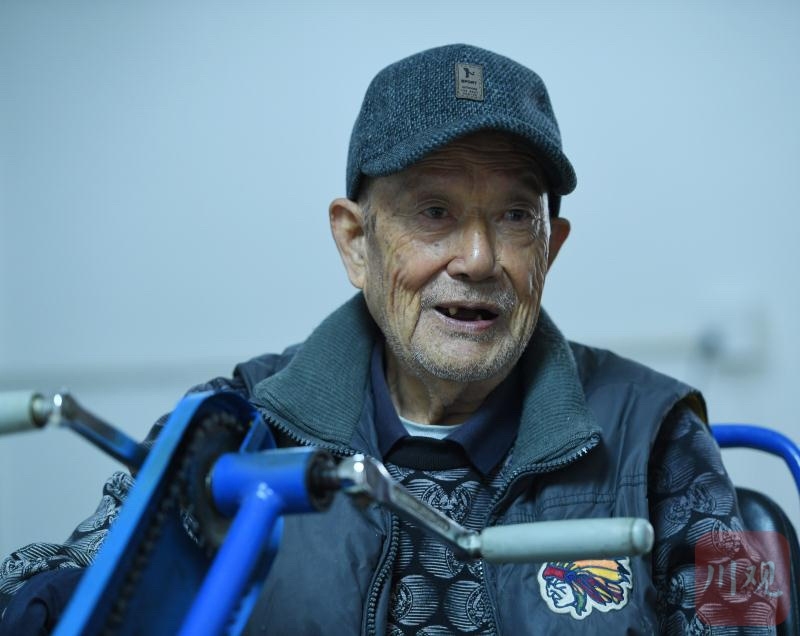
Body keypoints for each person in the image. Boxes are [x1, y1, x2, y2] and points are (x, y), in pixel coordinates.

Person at [0, 44, 767, 635]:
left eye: (514, 216)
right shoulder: (232, 426)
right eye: (434, 212)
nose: (478, 259)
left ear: (550, 246)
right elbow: (70, 577)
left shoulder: (665, 430)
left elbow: (751, 618)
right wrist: (50, 602)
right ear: (355, 242)